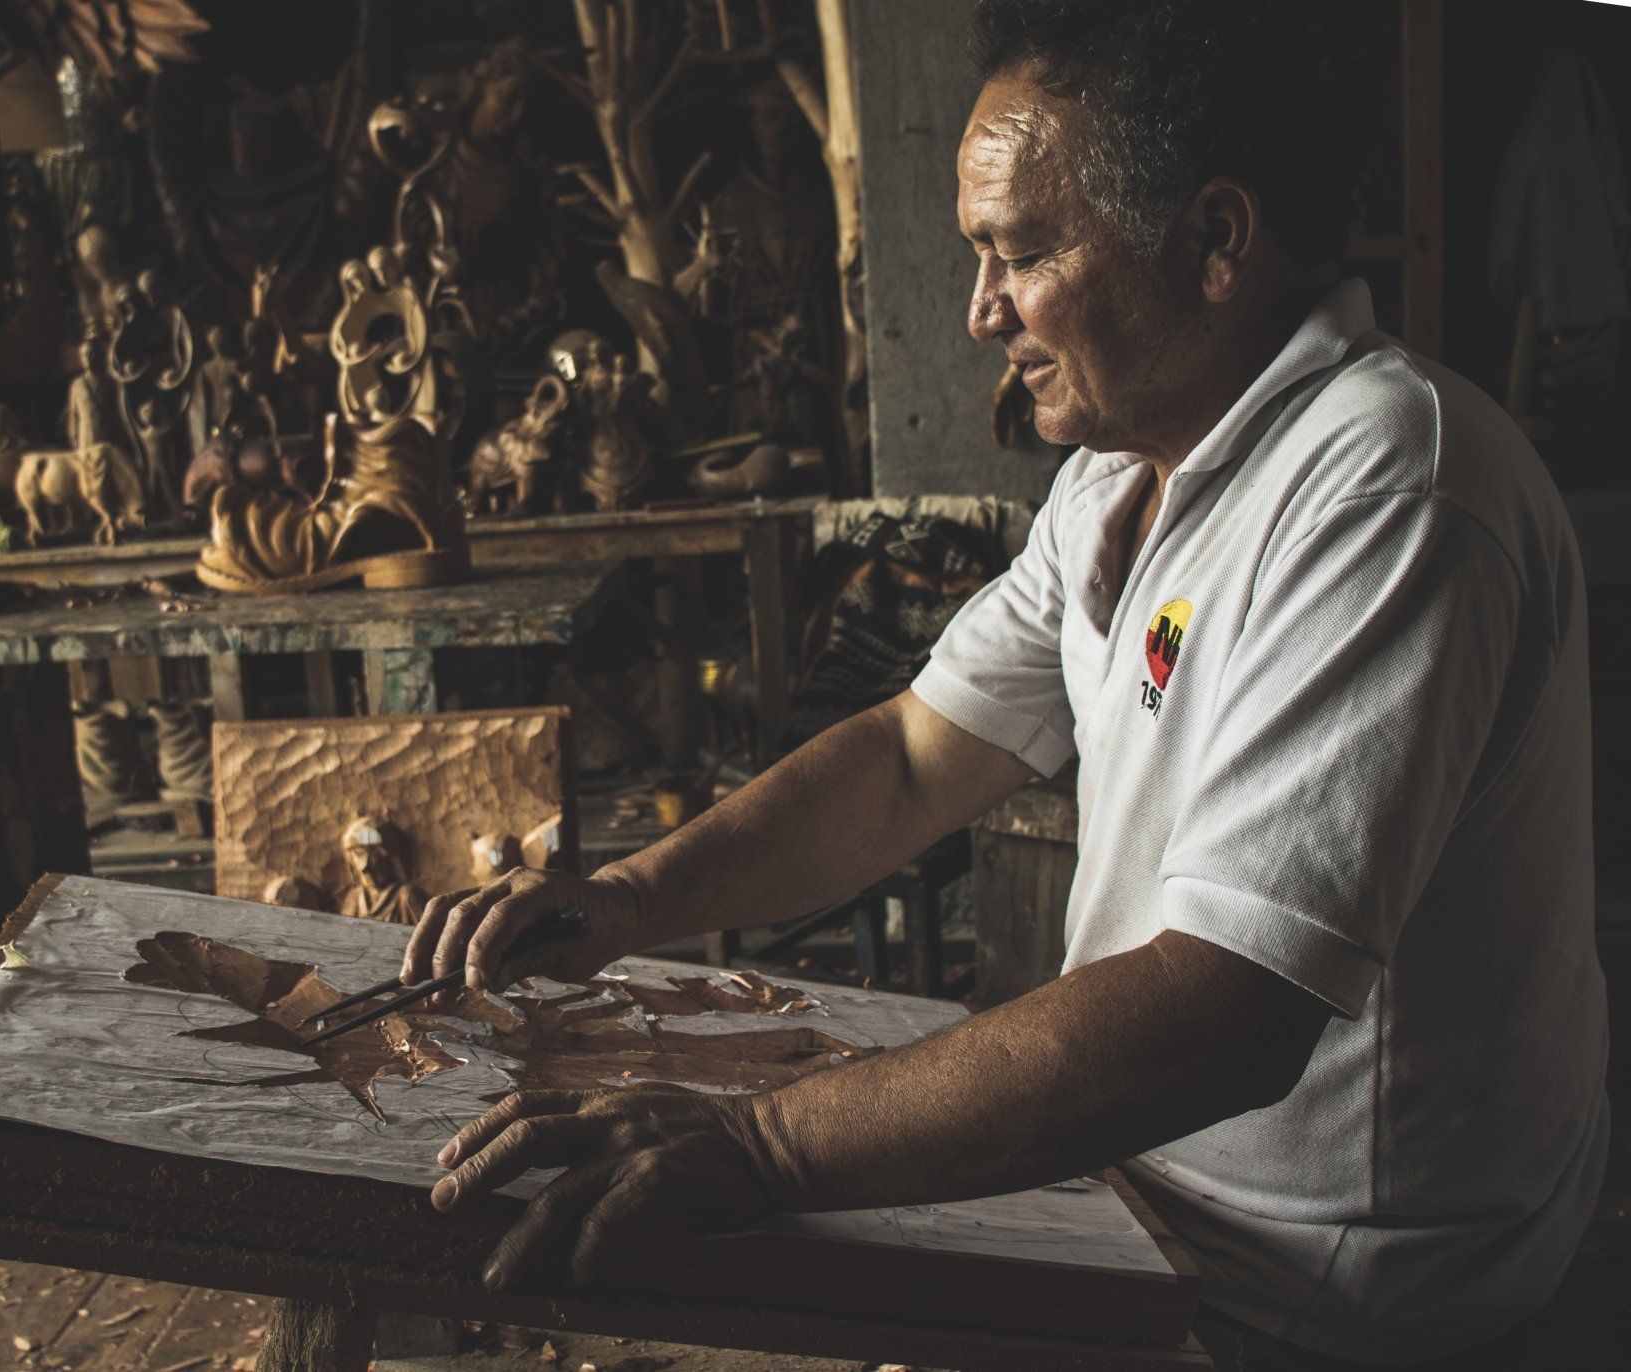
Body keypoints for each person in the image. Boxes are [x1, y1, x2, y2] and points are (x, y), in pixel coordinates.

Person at [399, 2, 1608, 1365]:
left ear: (1215, 240)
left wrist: (766, 1145)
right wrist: (630, 898)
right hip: (1156, 1180)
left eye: (1019, 254)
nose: (980, 313)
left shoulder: (1390, 483)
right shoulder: (1118, 475)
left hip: (1336, 1277)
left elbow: (1228, 1016)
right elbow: (920, 753)